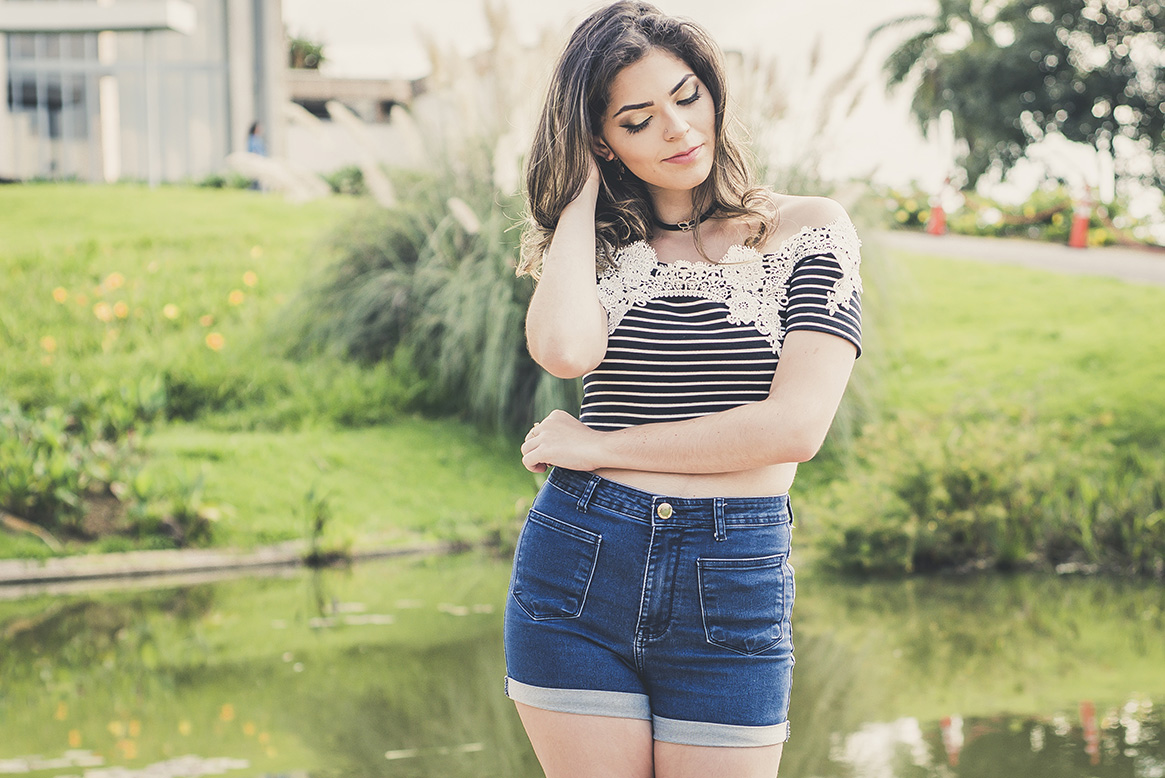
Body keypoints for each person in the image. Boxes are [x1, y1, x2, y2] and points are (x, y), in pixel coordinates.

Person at [505, 3, 863, 777]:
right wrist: (576, 200)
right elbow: (564, 351)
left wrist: (599, 445)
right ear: (603, 141)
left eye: (685, 95)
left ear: (712, 90)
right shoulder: (603, 251)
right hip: (580, 563)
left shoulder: (807, 230)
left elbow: (794, 429)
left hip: (729, 570)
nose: (675, 129)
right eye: (637, 119)